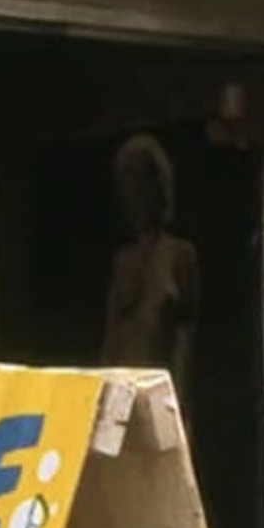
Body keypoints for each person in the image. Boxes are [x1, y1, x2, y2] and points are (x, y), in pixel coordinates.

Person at [100, 134, 199, 399]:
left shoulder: (179, 254)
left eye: (142, 182)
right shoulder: (123, 261)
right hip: (122, 393)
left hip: (160, 393)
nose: (135, 196)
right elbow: (112, 339)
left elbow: (185, 336)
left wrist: (180, 402)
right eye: (128, 185)